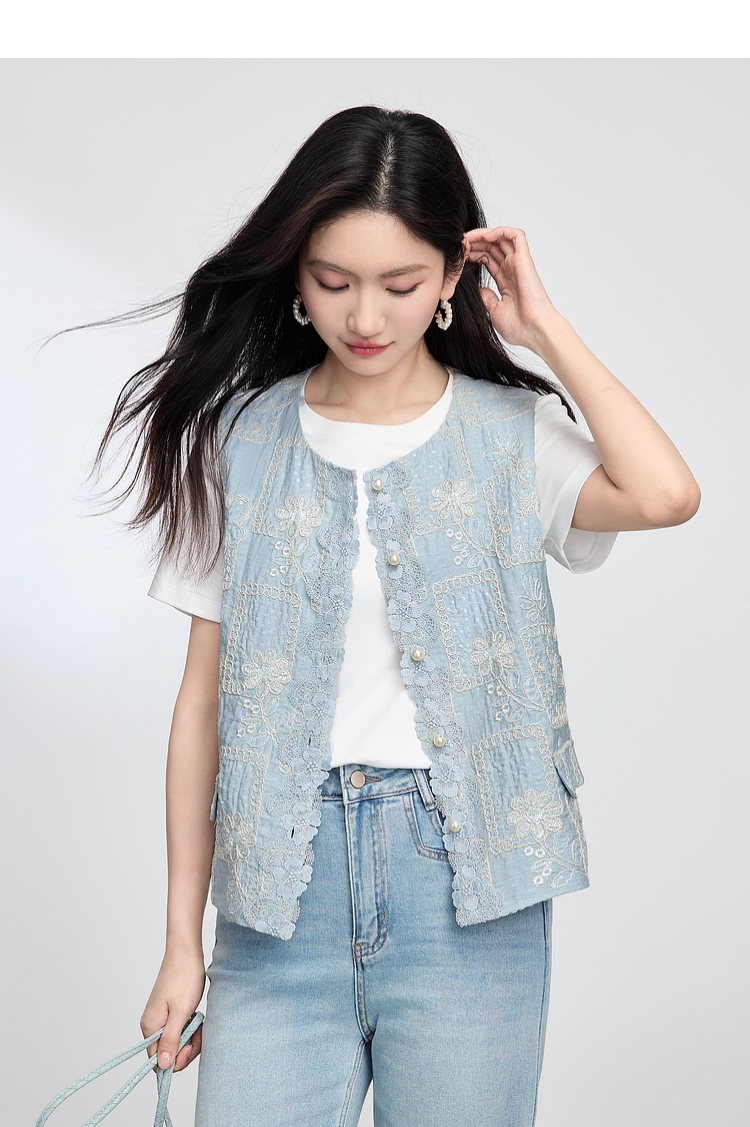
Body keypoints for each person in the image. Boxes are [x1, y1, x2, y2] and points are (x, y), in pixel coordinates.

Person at [93, 106, 700, 1126]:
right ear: (295, 276)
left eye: (401, 283)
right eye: (333, 281)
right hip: (278, 896)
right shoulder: (241, 441)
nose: (365, 315)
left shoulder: (512, 436)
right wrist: (181, 941)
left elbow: (666, 494)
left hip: (468, 890)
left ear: (455, 275)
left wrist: (544, 329)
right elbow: (200, 706)